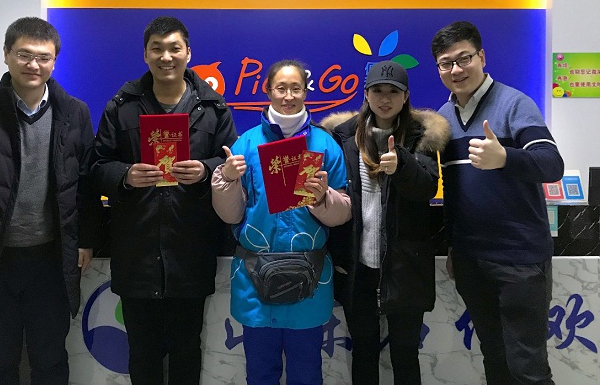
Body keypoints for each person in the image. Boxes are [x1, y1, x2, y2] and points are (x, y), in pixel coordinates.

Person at [0, 17, 101, 385]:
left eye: (43, 57)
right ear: (6, 55)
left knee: (50, 360)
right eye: (24, 55)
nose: (33, 65)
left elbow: (87, 181)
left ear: (54, 62)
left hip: (51, 260)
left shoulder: (74, 111)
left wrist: (87, 239)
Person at [90, 16, 237, 384]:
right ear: (145, 54)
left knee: (188, 349)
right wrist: (125, 175)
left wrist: (206, 170)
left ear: (188, 53)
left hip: (191, 251)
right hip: (136, 252)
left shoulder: (214, 109)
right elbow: (96, 166)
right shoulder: (122, 106)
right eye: (157, 49)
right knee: (142, 352)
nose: (166, 57)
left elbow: (232, 164)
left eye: (174, 48)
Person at [431, 20, 564, 385]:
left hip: (520, 260)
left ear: (482, 57)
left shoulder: (514, 104)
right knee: (494, 358)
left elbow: (551, 165)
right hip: (471, 260)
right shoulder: (443, 119)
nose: (456, 70)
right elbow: (455, 193)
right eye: (446, 63)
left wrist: (505, 157)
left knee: (527, 367)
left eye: (464, 58)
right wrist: (454, 246)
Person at [211, 59, 351, 385]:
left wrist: (322, 199)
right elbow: (231, 215)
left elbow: (344, 211)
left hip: (310, 281)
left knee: (307, 374)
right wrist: (226, 180)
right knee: (260, 374)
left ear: (306, 92)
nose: (288, 96)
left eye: (296, 89)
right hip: (254, 279)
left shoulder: (325, 145)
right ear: (268, 90)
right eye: (281, 88)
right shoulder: (246, 144)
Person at [321, 60, 449, 384]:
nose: (385, 98)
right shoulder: (342, 136)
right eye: (378, 90)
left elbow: (427, 187)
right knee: (364, 350)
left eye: (394, 91)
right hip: (358, 267)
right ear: (366, 94)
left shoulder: (421, 136)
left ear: (405, 97)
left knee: (405, 353)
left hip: (405, 266)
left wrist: (402, 165)